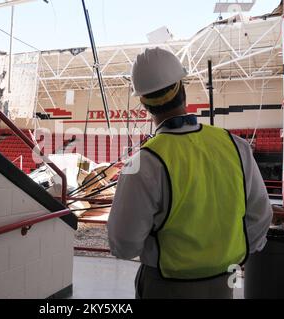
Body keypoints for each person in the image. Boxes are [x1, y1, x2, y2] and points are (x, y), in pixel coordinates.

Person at [107, 47, 273, 299]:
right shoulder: (235, 146)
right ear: (182, 89)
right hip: (223, 283)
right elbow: (261, 216)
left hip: (165, 286)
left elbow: (123, 245)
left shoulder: (143, 163)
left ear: (143, 103)